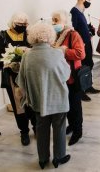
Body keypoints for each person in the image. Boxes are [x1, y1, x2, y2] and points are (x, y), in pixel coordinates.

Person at [16, 23, 71, 169]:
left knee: (41, 129)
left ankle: (42, 159)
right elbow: (66, 74)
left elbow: (21, 79)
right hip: (58, 99)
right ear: (50, 36)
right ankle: (59, 157)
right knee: (59, 128)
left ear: (32, 37)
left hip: (38, 100)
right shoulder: (57, 53)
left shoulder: (27, 55)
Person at [0, 12, 36, 146]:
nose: (23, 27)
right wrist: (9, 61)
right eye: (19, 24)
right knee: (18, 106)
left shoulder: (28, 34)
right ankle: (24, 131)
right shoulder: (2, 36)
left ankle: (36, 127)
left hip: (29, 74)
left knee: (32, 102)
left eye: (25, 24)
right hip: (12, 76)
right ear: (13, 23)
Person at [52, 10, 85, 146]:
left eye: (57, 20)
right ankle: (71, 126)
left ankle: (78, 131)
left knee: (75, 105)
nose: (54, 23)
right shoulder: (55, 35)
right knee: (67, 105)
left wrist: (64, 51)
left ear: (65, 21)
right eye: (53, 20)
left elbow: (80, 54)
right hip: (60, 77)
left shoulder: (73, 34)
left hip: (72, 76)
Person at [70, 0, 100, 102]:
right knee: (81, 67)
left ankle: (88, 86)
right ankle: (81, 91)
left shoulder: (81, 11)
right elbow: (74, 29)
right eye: (89, 0)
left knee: (89, 64)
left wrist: (89, 28)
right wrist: (79, 42)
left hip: (86, 42)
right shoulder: (74, 12)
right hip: (81, 44)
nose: (89, 2)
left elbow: (81, 27)